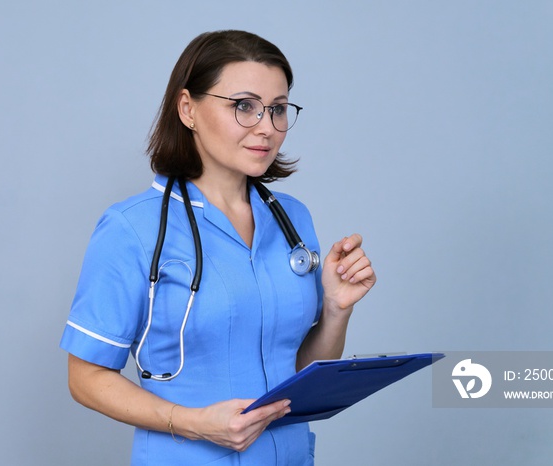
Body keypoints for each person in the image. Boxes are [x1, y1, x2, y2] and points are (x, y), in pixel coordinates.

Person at [60, 30, 376, 465]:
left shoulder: (293, 220)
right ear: (188, 108)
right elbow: (86, 377)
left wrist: (337, 311)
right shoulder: (131, 229)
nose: (266, 127)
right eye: (244, 106)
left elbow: (298, 372)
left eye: (278, 109)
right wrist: (191, 422)